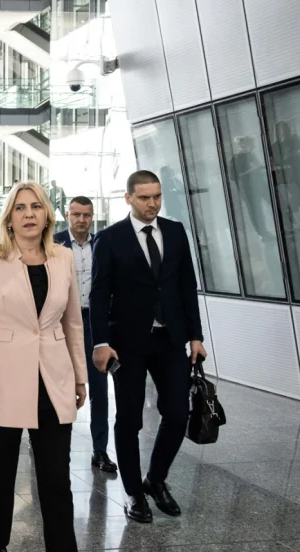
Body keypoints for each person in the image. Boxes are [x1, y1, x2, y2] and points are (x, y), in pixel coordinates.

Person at [0, 181, 98, 552]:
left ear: (46, 214)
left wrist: (79, 376)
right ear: (9, 218)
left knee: (57, 480)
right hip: (1, 377)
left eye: (35, 206)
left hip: (52, 377)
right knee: (1, 472)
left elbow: (73, 321)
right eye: (19, 208)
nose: (28, 214)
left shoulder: (62, 259)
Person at [90, 170, 207, 524]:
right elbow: (98, 295)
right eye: (144, 198)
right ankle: (133, 493)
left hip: (171, 338)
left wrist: (196, 336)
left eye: (156, 196)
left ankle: (155, 479)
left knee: (177, 413)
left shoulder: (175, 231)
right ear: (128, 198)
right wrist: (101, 342)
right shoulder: (110, 239)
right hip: (127, 343)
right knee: (129, 419)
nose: (152, 203)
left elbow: (187, 284)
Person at [53, 197, 117, 474]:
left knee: (99, 388)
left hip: (94, 322)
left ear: (93, 217)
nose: (81, 220)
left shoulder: (102, 244)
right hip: (60, 322)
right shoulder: (53, 244)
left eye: (87, 215)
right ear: (67, 215)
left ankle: (100, 449)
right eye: (76, 214)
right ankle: (51, 443)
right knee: (56, 383)